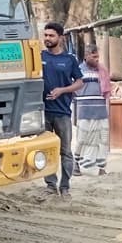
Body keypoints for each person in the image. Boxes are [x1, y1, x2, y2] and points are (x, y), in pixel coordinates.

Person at [39, 22, 85, 201]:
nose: (47, 39)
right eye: (45, 35)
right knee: (45, 150)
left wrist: (62, 90)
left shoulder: (69, 59)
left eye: (51, 36)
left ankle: (65, 187)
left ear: (60, 38)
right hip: (42, 112)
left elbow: (80, 82)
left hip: (63, 112)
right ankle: (50, 186)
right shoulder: (39, 56)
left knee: (65, 151)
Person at [73, 45, 110, 176]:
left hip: (101, 111)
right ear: (86, 56)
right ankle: (76, 164)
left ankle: (101, 167)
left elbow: (106, 90)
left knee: (103, 140)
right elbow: (73, 89)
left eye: (98, 57)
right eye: (94, 57)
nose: (96, 59)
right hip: (85, 110)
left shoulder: (102, 71)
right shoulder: (78, 70)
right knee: (82, 139)